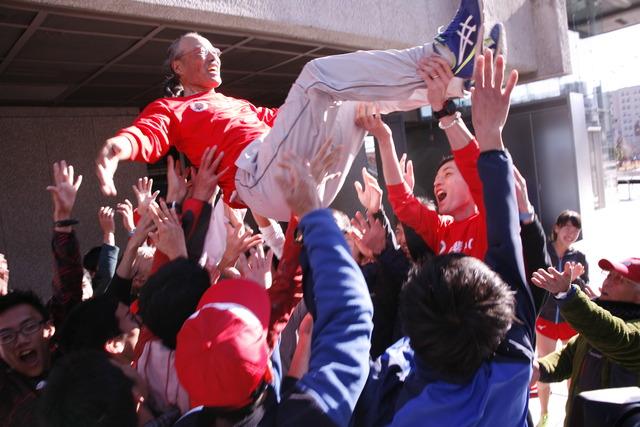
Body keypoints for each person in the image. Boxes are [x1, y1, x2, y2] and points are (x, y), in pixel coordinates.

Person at [96, 0, 486, 221]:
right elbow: (146, 134)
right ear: (178, 66)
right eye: (202, 51)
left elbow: (288, 119)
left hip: (309, 175)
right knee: (317, 76)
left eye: (215, 50)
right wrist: (116, 150)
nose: (215, 55)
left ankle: (448, 83)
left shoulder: (237, 105)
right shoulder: (173, 108)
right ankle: (439, 55)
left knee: (354, 97)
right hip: (263, 181)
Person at [353, 49, 536, 426]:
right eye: (436, 178)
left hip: (477, 346)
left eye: (450, 172)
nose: (439, 179)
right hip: (472, 352)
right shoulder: (515, 359)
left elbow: (493, 198)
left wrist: (450, 117)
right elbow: (402, 203)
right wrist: (384, 139)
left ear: (473, 183)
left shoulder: (394, 396)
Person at [171, 150, 374, 426]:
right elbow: (349, 319)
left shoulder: (186, 422)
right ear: (266, 371)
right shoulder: (307, 417)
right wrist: (311, 213)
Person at [532, 257, 640, 426]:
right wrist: (538, 370)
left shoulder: (628, 329)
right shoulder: (598, 323)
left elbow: (614, 335)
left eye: (620, 279)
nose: (608, 282)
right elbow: (568, 357)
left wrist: (568, 295)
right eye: (609, 275)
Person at [534, 209, 589, 426]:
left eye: (575, 229)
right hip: (545, 320)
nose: (571, 233)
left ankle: (570, 415)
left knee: (572, 372)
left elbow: (585, 291)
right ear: (556, 228)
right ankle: (544, 414)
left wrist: (574, 280)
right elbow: (534, 281)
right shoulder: (542, 251)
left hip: (569, 321)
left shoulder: (579, 257)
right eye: (566, 227)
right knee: (542, 369)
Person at [0, 290, 55, 427]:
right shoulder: (6, 396)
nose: (21, 340)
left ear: (48, 329)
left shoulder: (79, 367)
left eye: (29, 327)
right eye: (6, 336)